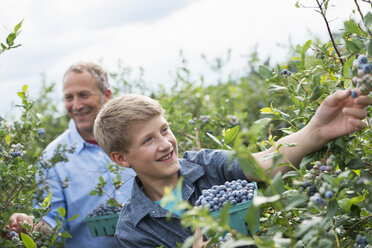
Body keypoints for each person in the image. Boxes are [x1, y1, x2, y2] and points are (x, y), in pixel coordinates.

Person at [93, 88, 371, 248]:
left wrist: (317, 130)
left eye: (164, 130)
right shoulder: (133, 230)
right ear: (121, 158)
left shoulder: (204, 164)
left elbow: (264, 163)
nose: (165, 144)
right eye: (148, 140)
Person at [6, 62, 136, 248]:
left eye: (84, 95)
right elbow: (51, 222)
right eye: (69, 97)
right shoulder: (52, 158)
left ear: (106, 96)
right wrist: (30, 226)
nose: (76, 105)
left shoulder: (134, 139)